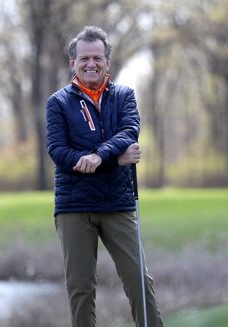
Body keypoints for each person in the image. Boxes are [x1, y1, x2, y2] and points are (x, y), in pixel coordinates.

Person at [46, 26, 163, 327]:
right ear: (73, 63)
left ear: (108, 61)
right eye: (84, 58)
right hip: (75, 207)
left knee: (139, 281)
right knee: (81, 290)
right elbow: (59, 151)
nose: (91, 64)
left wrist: (97, 156)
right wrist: (113, 158)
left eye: (97, 57)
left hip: (118, 203)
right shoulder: (58, 103)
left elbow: (129, 133)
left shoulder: (124, 96)